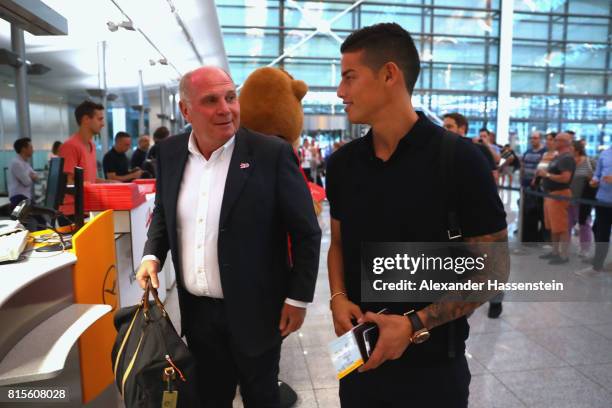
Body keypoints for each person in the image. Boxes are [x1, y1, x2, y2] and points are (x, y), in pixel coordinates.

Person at [328, 23, 508, 407]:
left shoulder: (459, 160)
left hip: (433, 370)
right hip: (359, 359)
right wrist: (338, 298)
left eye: (349, 77)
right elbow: (339, 244)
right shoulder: (343, 165)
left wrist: (412, 326)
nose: (341, 91)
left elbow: (493, 270)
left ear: (390, 74)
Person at [136, 66, 321, 407]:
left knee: (261, 395)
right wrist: (152, 255)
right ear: (185, 110)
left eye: (230, 97)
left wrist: (298, 298)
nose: (225, 109)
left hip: (258, 310)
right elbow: (164, 210)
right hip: (198, 313)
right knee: (211, 396)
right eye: (211, 100)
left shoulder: (270, 154)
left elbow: (307, 231)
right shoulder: (169, 153)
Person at [58, 100, 114, 214]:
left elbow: (88, 180)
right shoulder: (70, 146)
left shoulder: (91, 145)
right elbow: (68, 184)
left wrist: (109, 183)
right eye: (99, 119)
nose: (103, 124)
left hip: (88, 209)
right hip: (72, 213)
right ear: (86, 120)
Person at [537, 133, 575, 264]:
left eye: (556, 140)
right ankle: (555, 251)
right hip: (550, 194)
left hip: (559, 194)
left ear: (564, 142)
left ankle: (563, 255)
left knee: (561, 226)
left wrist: (546, 174)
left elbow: (565, 178)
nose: (553, 142)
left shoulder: (566, 158)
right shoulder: (557, 156)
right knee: (553, 225)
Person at [442, 113, 496, 180]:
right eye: (443, 127)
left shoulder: (480, 149)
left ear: (462, 128)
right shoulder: (444, 150)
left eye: (449, 126)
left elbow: (493, 175)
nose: (445, 130)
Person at [520, 131, 547, 243]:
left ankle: (540, 237)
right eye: (531, 138)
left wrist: (536, 181)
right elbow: (523, 166)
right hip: (526, 186)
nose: (532, 140)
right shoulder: (527, 151)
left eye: (535, 138)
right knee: (528, 212)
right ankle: (529, 236)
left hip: (537, 187)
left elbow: (542, 169)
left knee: (538, 212)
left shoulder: (544, 152)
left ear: (540, 139)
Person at [589, 145, 612, 272]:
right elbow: (597, 174)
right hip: (602, 200)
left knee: (602, 232)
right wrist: (594, 180)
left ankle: (598, 264)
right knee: (599, 230)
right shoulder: (605, 153)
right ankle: (598, 264)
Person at [568, 141, 593, 258]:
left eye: (570, 147)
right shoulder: (568, 161)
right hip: (566, 198)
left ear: (576, 150)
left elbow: (594, 179)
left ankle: (585, 248)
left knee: (584, 224)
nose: (568, 149)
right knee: (566, 224)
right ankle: (564, 246)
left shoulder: (589, 161)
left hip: (582, 199)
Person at [8, 138, 38, 208]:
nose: (33, 150)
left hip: (25, 197)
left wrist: (31, 176)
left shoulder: (25, 163)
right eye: (31, 147)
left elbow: (36, 177)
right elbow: (27, 182)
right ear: (23, 149)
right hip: (19, 198)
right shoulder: (16, 163)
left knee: (41, 215)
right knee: (41, 216)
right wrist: (31, 176)